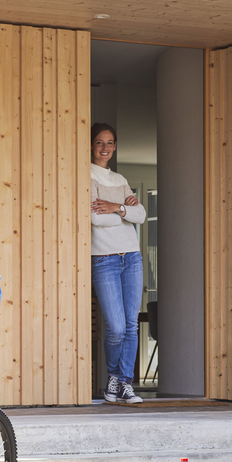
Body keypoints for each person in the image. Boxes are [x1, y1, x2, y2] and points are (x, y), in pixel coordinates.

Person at [90, 123, 146, 404]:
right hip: (104, 259)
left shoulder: (120, 177)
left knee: (132, 325)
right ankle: (113, 376)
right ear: (91, 145)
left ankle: (125, 383)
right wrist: (126, 211)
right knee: (116, 327)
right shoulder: (87, 175)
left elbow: (142, 214)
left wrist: (116, 208)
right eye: (100, 142)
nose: (105, 148)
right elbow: (95, 219)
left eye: (110, 143)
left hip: (132, 256)